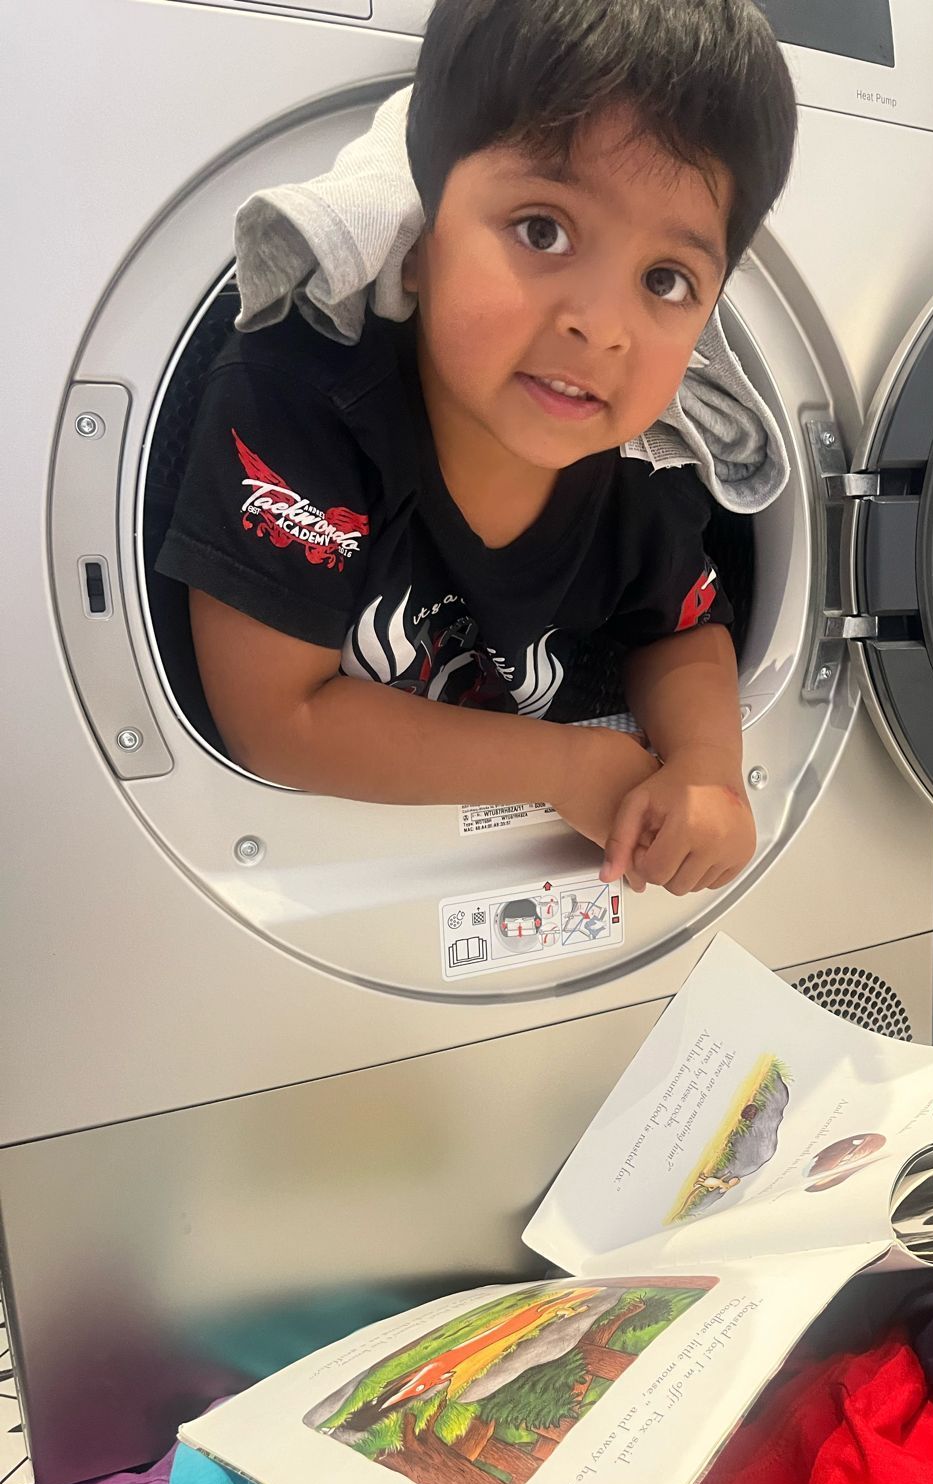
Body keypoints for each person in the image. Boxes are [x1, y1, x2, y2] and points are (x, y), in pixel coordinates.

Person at [157, 0, 796, 896]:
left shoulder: (641, 466)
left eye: (666, 279)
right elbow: (275, 718)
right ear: (416, 237)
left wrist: (706, 769)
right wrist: (565, 767)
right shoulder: (297, 397)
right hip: (309, 866)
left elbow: (683, 630)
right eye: (544, 229)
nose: (600, 326)